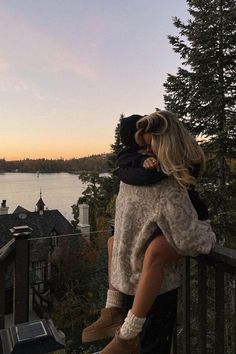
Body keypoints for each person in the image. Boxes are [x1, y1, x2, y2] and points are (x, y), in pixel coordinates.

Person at [82, 111, 216, 354]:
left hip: (130, 279)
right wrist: (209, 234)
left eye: (149, 140)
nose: (146, 148)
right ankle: (125, 336)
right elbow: (188, 240)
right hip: (157, 288)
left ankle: (114, 315)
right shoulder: (164, 183)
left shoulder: (131, 177)